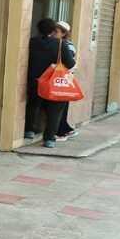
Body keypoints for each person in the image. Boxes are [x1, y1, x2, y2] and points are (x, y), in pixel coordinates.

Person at [25, 17, 76, 148]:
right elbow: (71, 64)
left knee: (33, 105)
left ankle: (29, 131)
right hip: (53, 82)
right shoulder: (60, 44)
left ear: (38, 29)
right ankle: (49, 139)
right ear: (53, 30)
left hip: (35, 80)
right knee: (55, 110)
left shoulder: (32, 42)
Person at [54, 20, 79, 141]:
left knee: (61, 106)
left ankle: (62, 132)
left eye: (56, 31)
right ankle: (65, 129)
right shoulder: (60, 43)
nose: (53, 33)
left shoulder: (67, 46)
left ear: (63, 33)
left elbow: (70, 63)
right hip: (63, 79)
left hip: (63, 79)